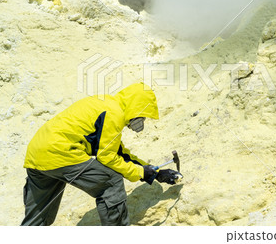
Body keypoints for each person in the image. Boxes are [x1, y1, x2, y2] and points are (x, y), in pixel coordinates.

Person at [21, 83, 178, 226]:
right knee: (111, 181)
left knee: (37, 219)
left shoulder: (107, 104)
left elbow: (118, 152)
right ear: (136, 107)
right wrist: (141, 172)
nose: (141, 120)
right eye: (143, 115)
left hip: (36, 154)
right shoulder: (114, 114)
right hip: (61, 152)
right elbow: (107, 157)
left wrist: (154, 173)